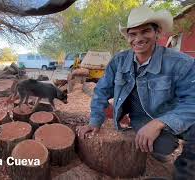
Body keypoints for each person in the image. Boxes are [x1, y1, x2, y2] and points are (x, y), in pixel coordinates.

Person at [76, 6, 195, 179]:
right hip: (142, 118)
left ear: (157, 33)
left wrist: (159, 123)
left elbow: (192, 101)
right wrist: (95, 121)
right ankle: (160, 149)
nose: (138, 38)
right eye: (133, 34)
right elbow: (101, 90)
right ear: (128, 37)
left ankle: (184, 173)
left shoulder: (181, 63)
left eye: (145, 31)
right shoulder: (119, 61)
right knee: (162, 145)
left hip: (175, 113)